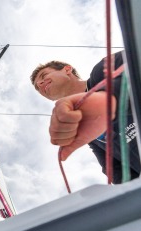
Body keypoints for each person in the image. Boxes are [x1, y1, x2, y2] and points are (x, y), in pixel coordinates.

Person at [30, 51, 140, 184]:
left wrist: (106, 100)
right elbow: (114, 169)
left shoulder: (102, 69)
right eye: (37, 87)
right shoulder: (85, 130)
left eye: (44, 75)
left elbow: (136, 62)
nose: (40, 84)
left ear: (67, 69)